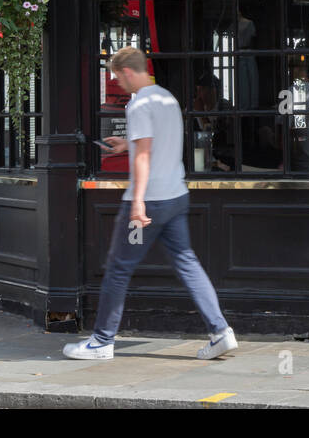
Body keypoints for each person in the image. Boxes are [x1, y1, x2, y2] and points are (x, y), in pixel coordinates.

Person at [64, 46, 237, 361]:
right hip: (175, 196)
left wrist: (138, 203)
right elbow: (153, 143)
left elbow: (144, 155)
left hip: (149, 203)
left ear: (128, 72)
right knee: (187, 262)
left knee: (118, 267)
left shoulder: (140, 104)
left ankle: (101, 342)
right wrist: (124, 146)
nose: (119, 83)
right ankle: (221, 331)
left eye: (118, 76)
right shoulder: (166, 98)